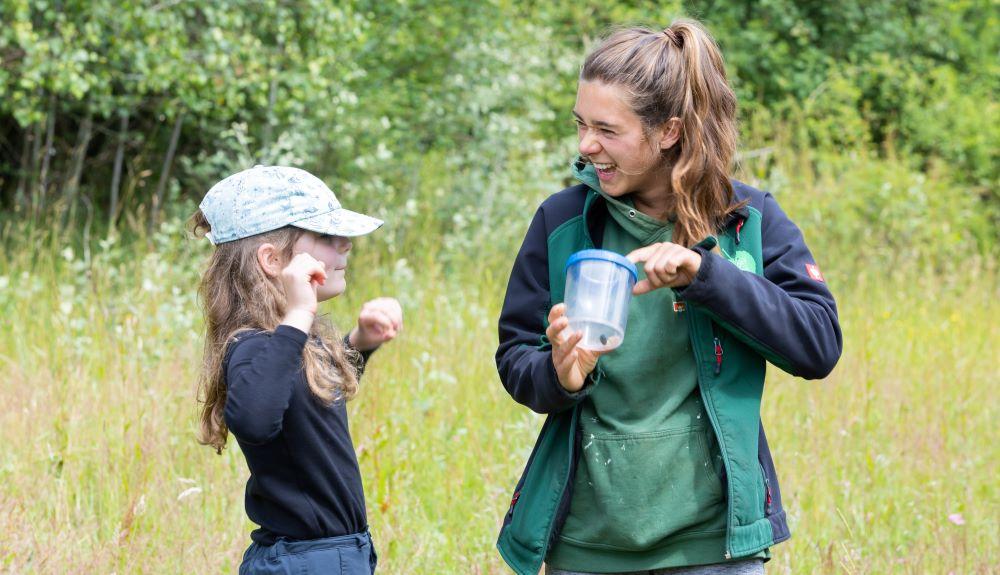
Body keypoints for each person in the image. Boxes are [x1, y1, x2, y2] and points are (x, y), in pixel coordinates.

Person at [495, 19, 842, 575]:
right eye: (581, 125)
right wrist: (559, 374)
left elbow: (818, 345)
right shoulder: (561, 222)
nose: (587, 146)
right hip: (587, 547)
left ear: (669, 132)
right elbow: (515, 357)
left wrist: (706, 275)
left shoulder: (746, 222)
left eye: (607, 130)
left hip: (713, 548)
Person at [192, 165, 402, 574]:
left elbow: (311, 396)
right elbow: (254, 418)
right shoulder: (253, 344)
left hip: (331, 555)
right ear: (271, 260)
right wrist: (300, 311)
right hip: (305, 561)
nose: (345, 245)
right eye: (325, 236)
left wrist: (360, 342)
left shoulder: (290, 341)